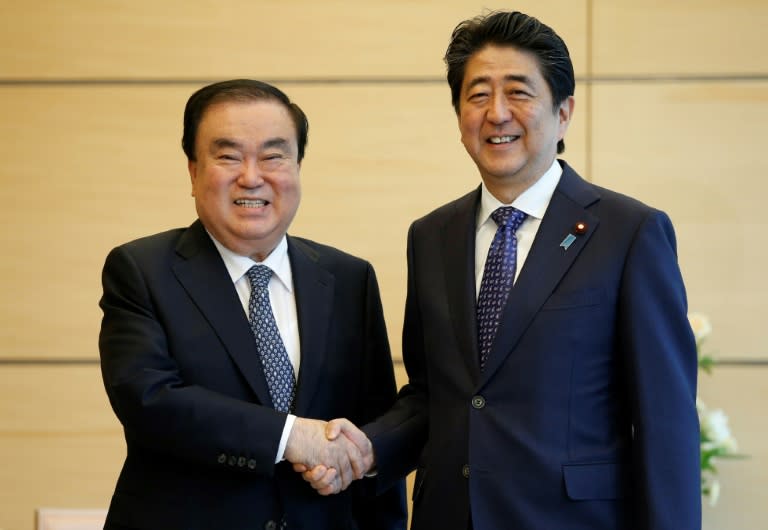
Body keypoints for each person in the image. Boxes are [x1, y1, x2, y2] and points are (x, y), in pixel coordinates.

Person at [302, 10, 701, 530]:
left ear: (562, 112)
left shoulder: (629, 232)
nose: (496, 113)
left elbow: (664, 422)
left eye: (518, 91)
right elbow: (433, 395)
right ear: (459, 116)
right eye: (477, 94)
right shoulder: (431, 235)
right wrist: (367, 450)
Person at [98, 78, 406, 530]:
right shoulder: (142, 270)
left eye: (273, 155)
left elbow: (371, 428)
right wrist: (291, 437)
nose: (252, 176)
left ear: (298, 166)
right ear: (193, 171)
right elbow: (150, 400)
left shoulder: (348, 278)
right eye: (228, 155)